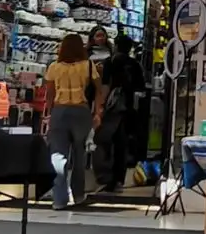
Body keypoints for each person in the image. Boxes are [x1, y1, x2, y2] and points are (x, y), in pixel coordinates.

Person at [45, 33, 103, 210]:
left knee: (58, 156)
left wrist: (49, 114)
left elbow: (49, 94)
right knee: (80, 156)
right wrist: (98, 112)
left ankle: (59, 199)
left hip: (59, 111)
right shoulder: (88, 66)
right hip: (81, 111)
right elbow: (99, 89)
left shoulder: (54, 67)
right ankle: (78, 195)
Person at [97, 34, 144, 191]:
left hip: (112, 108)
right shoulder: (134, 64)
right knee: (121, 144)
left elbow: (104, 85)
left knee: (104, 141)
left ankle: (106, 177)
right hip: (127, 108)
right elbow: (140, 87)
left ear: (116, 45)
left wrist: (100, 106)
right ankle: (118, 179)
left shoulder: (110, 62)